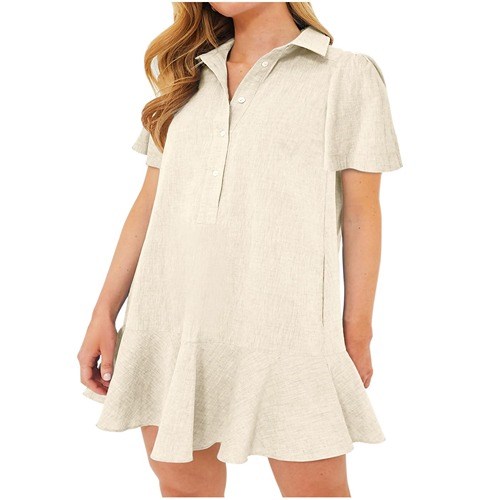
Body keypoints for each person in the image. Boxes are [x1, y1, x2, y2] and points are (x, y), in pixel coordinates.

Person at [77, 2, 403, 497]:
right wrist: (104, 311)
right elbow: (150, 202)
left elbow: (362, 213)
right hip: (171, 320)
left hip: (287, 329)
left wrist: (357, 332)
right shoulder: (184, 76)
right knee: (183, 488)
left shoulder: (346, 75)